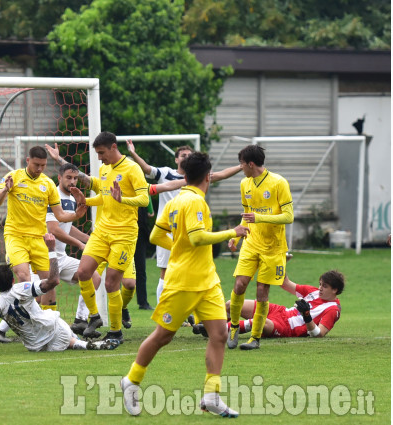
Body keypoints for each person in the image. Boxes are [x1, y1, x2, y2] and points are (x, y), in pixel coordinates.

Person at [120, 152, 249, 417]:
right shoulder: (194, 202)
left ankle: (212, 396)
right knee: (162, 336)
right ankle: (130, 381)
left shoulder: (177, 200)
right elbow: (199, 237)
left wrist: (178, 247)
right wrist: (232, 233)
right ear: (207, 177)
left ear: (185, 175)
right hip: (182, 283)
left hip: (207, 281)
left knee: (219, 334)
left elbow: (157, 235)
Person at [46, 132, 150, 342]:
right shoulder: (104, 170)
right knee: (84, 272)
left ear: (113, 147)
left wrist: (123, 200)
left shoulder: (132, 168)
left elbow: (145, 199)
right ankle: (93, 316)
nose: (100, 158)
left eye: (102, 153)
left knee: (112, 283)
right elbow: (102, 195)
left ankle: (115, 331)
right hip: (103, 231)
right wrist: (85, 202)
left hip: (124, 234)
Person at [0, 234, 120, 354]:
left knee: (65, 340)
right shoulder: (23, 288)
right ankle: (89, 344)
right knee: (58, 324)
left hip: (36, 346)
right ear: (13, 280)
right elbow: (54, 281)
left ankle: (84, 343)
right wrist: (51, 250)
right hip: (54, 328)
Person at [0, 163, 102, 342]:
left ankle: (80, 320)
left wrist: (86, 239)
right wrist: (80, 245)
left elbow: (67, 227)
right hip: (45, 253)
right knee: (35, 293)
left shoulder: (73, 198)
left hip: (61, 257)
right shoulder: (52, 194)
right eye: (69, 177)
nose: (73, 181)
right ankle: (3, 329)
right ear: (59, 178)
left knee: (92, 277)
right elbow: (54, 229)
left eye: (75, 178)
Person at [126, 140, 242, 303]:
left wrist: (241, 166)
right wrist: (133, 153)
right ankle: (163, 310)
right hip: (168, 230)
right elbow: (147, 171)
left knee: (190, 272)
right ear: (176, 159)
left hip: (189, 230)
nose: (186, 157)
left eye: (189, 155)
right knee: (166, 272)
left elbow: (222, 174)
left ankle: (186, 312)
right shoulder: (166, 173)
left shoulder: (199, 177)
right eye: (183, 155)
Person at [0, 146, 86, 317]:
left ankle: (51, 321)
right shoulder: (13, 177)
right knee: (23, 277)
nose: (40, 169)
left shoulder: (48, 184)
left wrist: (76, 215)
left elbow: (60, 215)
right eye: (36, 165)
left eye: (43, 165)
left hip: (39, 239)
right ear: (28, 161)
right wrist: (6, 190)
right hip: (16, 236)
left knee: (52, 281)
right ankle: (29, 320)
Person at [226, 144, 294, 350]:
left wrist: (260, 217)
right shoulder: (244, 184)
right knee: (239, 285)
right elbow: (247, 216)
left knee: (262, 291)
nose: (240, 168)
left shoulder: (279, 183)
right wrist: (237, 238)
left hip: (273, 247)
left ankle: (255, 338)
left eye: (242, 164)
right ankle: (234, 327)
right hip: (251, 243)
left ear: (251, 164)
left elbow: (289, 216)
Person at [193, 271, 344, 339]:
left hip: (286, 327)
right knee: (231, 304)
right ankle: (212, 325)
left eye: (324, 286)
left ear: (335, 290)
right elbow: (285, 283)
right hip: (280, 311)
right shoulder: (314, 292)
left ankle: (213, 330)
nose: (320, 288)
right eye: (320, 284)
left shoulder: (332, 309)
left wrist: (307, 317)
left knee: (258, 323)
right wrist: (281, 261)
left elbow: (319, 334)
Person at [134, 199, 155, 310]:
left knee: (141, 269)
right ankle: (120, 305)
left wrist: (149, 208)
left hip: (140, 233)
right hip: (123, 233)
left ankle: (143, 302)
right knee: (119, 271)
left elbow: (150, 213)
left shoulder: (142, 187)